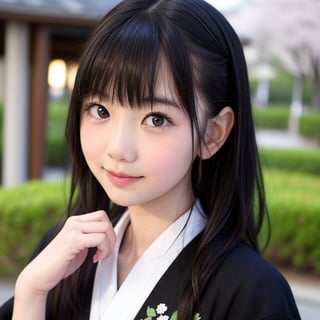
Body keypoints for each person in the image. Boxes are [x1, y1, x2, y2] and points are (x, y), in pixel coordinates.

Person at [0, 0, 301, 319]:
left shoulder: (251, 292)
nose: (118, 148)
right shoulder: (64, 254)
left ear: (212, 133)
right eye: (100, 110)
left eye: (156, 119)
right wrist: (31, 291)